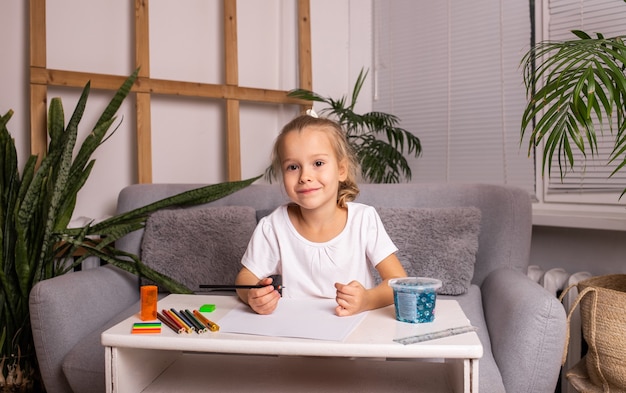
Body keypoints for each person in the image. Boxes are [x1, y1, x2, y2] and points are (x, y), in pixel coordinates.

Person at [235, 113, 407, 316]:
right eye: (293, 167)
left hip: (354, 332)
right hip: (296, 333)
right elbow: (245, 278)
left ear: (341, 170)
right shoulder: (273, 226)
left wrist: (367, 300)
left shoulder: (364, 219)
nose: (305, 177)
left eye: (318, 163)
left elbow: (398, 283)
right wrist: (252, 296)